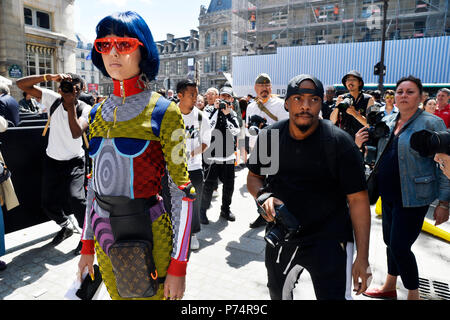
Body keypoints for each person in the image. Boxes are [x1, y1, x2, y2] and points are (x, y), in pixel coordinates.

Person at [77, 11, 193, 300]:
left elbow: (182, 193)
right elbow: (93, 184)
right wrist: (87, 245)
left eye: (124, 44)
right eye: (104, 44)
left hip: (150, 236)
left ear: (143, 49)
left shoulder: (165, 111)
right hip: (104, 236)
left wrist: (179, 266)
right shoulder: (95, 113)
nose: (113, 52)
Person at [246, 74, 371, 300]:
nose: (305, 106)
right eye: (298, 99)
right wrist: (264, 196)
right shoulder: (271, 137)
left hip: (330, 239)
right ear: (286, 102)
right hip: (283, 235)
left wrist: (363, 256)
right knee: (278, 293)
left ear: (321, 103)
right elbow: (254, 177)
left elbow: (358, 201)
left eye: (313, 99)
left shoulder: (340, 142)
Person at [362, 76, 450, 300]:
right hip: (388, 194)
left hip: (414, 197)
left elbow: (443, 165)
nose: (403, 95)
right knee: (388, 242)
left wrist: (444, 202)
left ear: (422, 97)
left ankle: (414, 295)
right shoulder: (390, 119)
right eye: (399, 91)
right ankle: (390, 286)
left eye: (409, 92)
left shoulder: (432, 123)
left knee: (400, 246)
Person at [17, 72, 91, 253]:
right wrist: (47, 77)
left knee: (77, 199)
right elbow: (21, 84)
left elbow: (76, 132)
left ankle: (87, 237)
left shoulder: (85, 109)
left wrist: (70, 104)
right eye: (66, 86)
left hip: (75, 161)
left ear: (80, 91)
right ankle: (66, 225)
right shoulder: (54, 99)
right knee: (48, 203)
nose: (68, 90)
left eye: (73, 88)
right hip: (53, 160)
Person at [246, 73, 288, 228]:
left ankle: (275, 213)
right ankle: (262, 213)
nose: (264, 89)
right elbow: (249, 128)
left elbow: (286, 128)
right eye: (261, 86)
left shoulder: (280, 105)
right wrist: (249, 150)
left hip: (275, 148)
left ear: (271, 87)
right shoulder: (251, 106)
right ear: (255, 88)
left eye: (267, 86)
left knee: (273, 184)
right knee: (257, 184)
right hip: (258, 149)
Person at [176, 79, 211, 250]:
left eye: (197, 94)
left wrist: (192, 153)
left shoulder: (201, 116)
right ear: (179, 95)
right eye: (192, 95)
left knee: (194, 202)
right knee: (174, 201)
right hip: (174, 169)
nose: (196, 98)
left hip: (195, 168)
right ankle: (174, 232)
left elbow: (206, 142)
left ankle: (193, 234)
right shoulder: (170, 114)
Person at [201, 86, 240, 224]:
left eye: (227, 97)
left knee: (229, 186)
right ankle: (202, 211)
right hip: (211, 156)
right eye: (222, 96)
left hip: (228, 156)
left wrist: (228, 114)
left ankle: (225, 209)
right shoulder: (209, 110)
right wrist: (218, 111)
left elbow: (236, 131)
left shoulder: (233, 113)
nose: (224, 99)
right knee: (208, 185)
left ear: (231, 99)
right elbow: (208, 128)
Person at [330, 70, 375, 138]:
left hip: (362, 140)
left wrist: (355, 113)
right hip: (344, 140)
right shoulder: (342, 98)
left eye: (353, 79)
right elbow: (332, 121)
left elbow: (370, 124)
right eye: (348, 80)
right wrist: (337, 107)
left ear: (359, 83)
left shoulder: (370, 99)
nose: (350, 82)